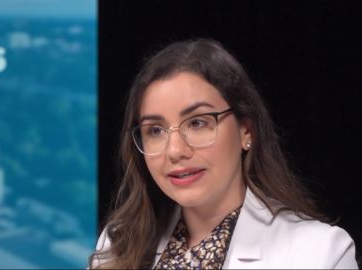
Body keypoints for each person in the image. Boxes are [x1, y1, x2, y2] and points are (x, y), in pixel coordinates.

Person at [90, 39, 358, 269]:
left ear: (247, 130)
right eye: (156, 130)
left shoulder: (321, 254)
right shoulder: (117, 244)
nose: (175, 151)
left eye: (197, 123)